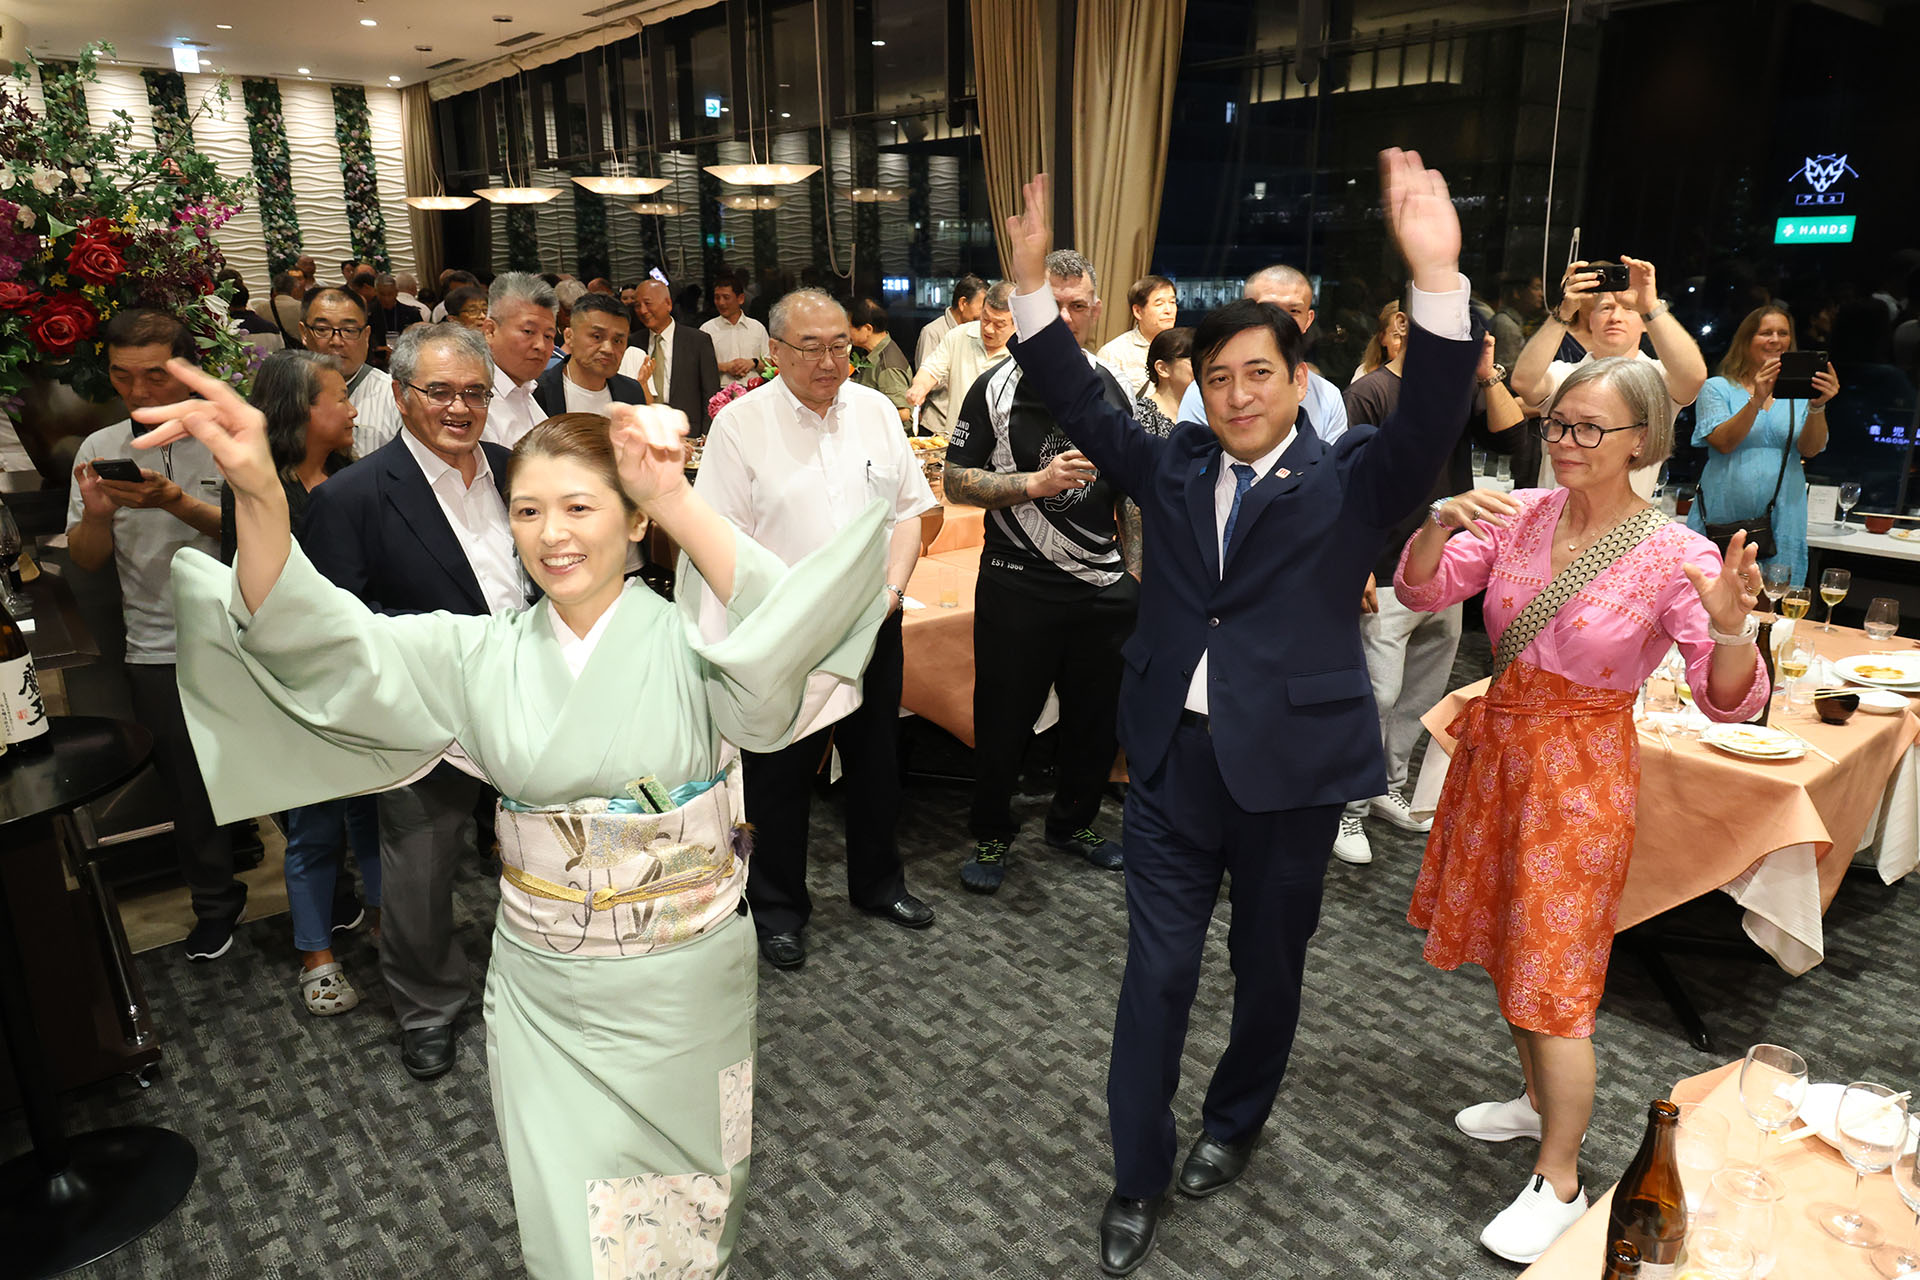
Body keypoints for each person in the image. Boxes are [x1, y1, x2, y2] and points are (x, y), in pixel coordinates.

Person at [147, 361, 890, 1277]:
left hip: (684, 982)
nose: (551, 534)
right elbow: (320, 640)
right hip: (545, 986)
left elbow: (799, 630)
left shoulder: (697, 641)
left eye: (580, 507)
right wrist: (261, 494)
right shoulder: (477, 653)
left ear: (633, 520)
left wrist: (675, 497)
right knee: (573, 1229)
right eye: (528, 511)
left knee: (690, 1210)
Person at [998, 154, 1481, 1276]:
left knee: (1269, 971)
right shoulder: (1171, 463)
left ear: (1297, 379)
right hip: (1173, 766)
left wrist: (1437, 278)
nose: (1237, 395)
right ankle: (1136, 1173)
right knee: (1157, 974)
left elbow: (1431, 421)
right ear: (1195, 388)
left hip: (1292, 774)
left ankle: (1237, 1117)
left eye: (1258, 373)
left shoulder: (1352, 476)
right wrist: (1027, 289)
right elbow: (1080, 397)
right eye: (1216, 377)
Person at [1394, 357, 1766, 1263]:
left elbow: (1729, 703)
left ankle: (1560, 1180)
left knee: (1554, 978)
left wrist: (1729, 627)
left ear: (1642, 440)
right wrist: (1438, 522)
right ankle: (1534, 1103)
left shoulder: (1678, 554)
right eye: (1557, 424)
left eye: (1589, 428)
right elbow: (1423, 591)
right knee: (1506, 942)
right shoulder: (1521, 513)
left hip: (1580, 780)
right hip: (1500, 758)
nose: (1565, 442)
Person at [299, 323, 524, 1082]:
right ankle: (428, 1007)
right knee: (421, 867)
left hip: (531, 693)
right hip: (428, 712)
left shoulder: (515, 469)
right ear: (400, 396)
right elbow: (339, 626)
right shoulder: (351, 497)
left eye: (475, 392)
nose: (460, 407)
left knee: (553, 839)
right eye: (440, 391)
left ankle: (558, 974)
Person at [696, 288, 938, 971]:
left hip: (873, 620)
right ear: (774, 351)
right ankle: (777, 908)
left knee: (877, 761)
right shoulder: (741, 425)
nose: (830, 362)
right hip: (785, 631)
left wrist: (893, 592)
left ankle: (879, 883)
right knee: (778, 774)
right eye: (810, 348)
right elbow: (719, 542)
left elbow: (909, 514)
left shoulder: (875, 412)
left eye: (839, 346)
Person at [945, 247, 1139, 897]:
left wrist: (1136, 577)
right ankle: (992, 834)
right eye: (1051, 306)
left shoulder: (1109, 384)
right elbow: (955, 480)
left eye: (1076, 307)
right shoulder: (993, 387)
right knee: (1003, 721)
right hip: (1017, 580)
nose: (1064, 318)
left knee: (1095, 720)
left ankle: (1073, 824)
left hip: (1102, 586)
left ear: (1095, 311)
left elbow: (1133, 488)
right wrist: (1034, 483)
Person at [65, 309, 242, 960]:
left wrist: (177, 503)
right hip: (155, 645)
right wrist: (98, 515)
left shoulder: (231, 438)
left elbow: (261, 534)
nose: (138, 392)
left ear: (188, 371)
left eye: (156, 376)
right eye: (122, 376)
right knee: (187, 790)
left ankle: (326, 896)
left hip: (244, 637)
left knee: (281, 772)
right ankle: (216, 907)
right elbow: (86, 559)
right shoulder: (100, 447)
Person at [222, 350, 384, 1013]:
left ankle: (386, 922)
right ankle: (315, 956)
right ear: (300, 410)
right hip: (300, 682)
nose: (352, 410)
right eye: (338, 398)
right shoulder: (261, 493)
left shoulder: (355, 478)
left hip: (368, 673)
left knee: (373, 815)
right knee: (314, 824)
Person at [1334, 331, 1526, 866]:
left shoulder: (1454, 391)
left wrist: (1486, 373)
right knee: (1377, 696)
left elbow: (1514, 440)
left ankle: (1386, 787)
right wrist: (1353, 561)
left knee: (1422, 692)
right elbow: (1344, 482)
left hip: (1446, 566)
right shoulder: (1370, 392)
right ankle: (1347, 808)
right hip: (1384, 566)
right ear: (1404, 328)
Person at [1510, 255, 1708, 495]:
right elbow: (1523, 382)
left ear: (1645, 324)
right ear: (1591, 321)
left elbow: (1694, 376)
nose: (1615, 317)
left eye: (1629, 309)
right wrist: (1564, 312)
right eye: (1605, 308)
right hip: (1558, 512)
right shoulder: (1564, 374)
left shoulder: (1658, 379)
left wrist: (1650, 306)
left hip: (1629, 517)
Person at [1685, 304, 1838, 588]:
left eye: (1783, 333)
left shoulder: (1799, 396)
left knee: (1774, 600)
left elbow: (1811, 449)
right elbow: (1724, 443)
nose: (1775, 340)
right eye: (1766, 333)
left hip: (1784, 517)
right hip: (1723, 517)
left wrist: (1818, 407)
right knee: (1710, 597)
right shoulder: (1717, 387)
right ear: (1746, 340)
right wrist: (1757, 399)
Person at [1175, 264, 1349, 443]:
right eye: (1269, 309)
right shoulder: (1206, 392)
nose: (1281, 321)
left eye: (1294, 311)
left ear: (1308, 319)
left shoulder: (1327, 397)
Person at [301, 286, 404, 457]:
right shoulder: (286, 393)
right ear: (304, 333)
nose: (336, 341)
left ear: (366, 335)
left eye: (349, 330)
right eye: (323, 330)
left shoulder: (395, 397)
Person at [905, 281, 1017, 435]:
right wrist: (919, 387)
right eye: (985, 319)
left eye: (999, 325)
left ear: (1017, 323)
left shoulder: (1025, 350)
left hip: (1002, 442)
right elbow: (931, 370)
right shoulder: (959, 336)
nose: (988, 329)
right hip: (958, 438)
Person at [621, 279, 723, 434]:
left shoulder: (698, 341)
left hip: (688, 431)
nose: (642, 310)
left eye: (647, 303)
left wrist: (707, 434)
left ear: (668, 304)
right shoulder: (633, 343)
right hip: (644, 431)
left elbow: (711, 393)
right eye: (637, 305)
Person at [534, 293, 646, 418]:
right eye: (597, 337)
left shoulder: (631, 392)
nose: (608, 349)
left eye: (617, 341)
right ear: (569, 336)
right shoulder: (537, 391)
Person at [480, 273, 559, 448]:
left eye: (548, 336)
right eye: (528, 331)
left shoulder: (528, 390)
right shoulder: (475, 402)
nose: (541, 346)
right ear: (490, 331)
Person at [1096, 274, 1180, 398]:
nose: (1169, 310)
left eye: (1172, 302)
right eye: (1159, 304)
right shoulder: (1114, 353)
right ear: (1138, 311)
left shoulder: (1183, 348)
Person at [848, 297, 914, 423]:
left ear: (868, 329)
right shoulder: (871, 352)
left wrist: (864, 411)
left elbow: (903, 413)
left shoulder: (888, 365)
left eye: (848, 327)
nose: (845, 332)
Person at [701, 271, 771, 387]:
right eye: (717, 298)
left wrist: (752, 363)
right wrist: (724, 367)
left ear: (741, 299)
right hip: (719, 391)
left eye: (726, 297)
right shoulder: (707, 329)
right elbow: (699, 366)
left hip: (753, 390)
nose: (721, 302)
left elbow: (771, 364)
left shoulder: (757, 328)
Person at [915, 273, 988, 371]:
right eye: (982, 308)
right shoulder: (933, 333)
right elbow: (926, 375)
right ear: (963, 303)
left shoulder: (979, 330)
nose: (983, 316)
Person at [1131, 326, 1193, 439]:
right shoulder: (1142, 414)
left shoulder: (1203, 411)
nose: (1203, 368)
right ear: (1163, 369)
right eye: (1193, 361)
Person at [1491, 272, 1545, 371]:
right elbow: (1507, 370)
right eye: (1536, 288)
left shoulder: (1515, 321)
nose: (1541, 294)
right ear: (1517, 292)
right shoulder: (1507, 325)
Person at [1350, 298, 1409, 383]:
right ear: (1382, 338)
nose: (1406, 343)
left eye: (1411, 336)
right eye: (1397, 336)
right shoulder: (1365, 377)